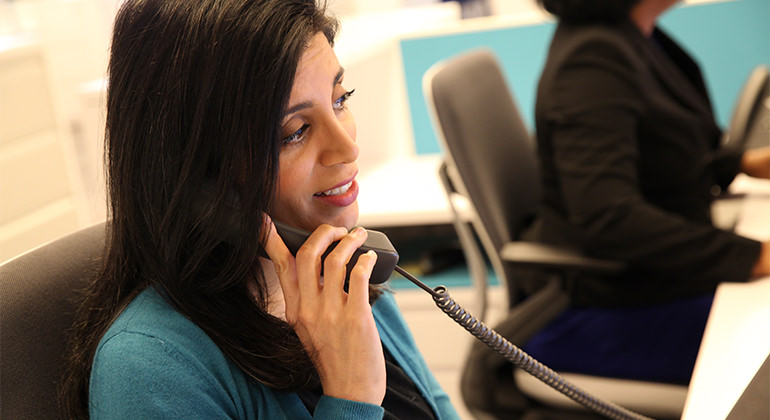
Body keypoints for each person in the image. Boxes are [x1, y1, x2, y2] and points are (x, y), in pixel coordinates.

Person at [59, 1, 461, 419]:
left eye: (341, 99)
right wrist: (352, 398)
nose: (347, 147)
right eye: (295, 132)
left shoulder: (346, 279)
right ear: (200, 176)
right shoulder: (150, 369)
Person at [523, 0, 770, 386]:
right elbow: (610, 218)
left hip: (656, 281)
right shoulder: (591, 61)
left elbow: (664, 145)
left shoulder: (634, 35)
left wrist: (745, 163)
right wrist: (757, 256)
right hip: (613, 308)